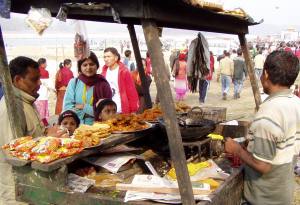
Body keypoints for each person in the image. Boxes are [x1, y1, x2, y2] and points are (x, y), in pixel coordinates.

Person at [225, 51, 300, 205]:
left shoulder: (269, 113)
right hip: (283, 192)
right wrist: (253, 143)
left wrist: (237, 149)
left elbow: (263, 165)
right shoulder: (295, 102)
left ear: (265, 74)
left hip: (264, 198)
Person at [0, 56, 68, 205]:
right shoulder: (11, 108)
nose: (39, 84)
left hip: (33, 186)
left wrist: (47, 134)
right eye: (34, 79)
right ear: (18, 80)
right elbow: (14, 152)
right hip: (18, 193)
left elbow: (31, 136)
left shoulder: (27, 102)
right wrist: (46, 138)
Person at [63, 52, 112, 125]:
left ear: (97, 66)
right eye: (85, 65)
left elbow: (107, 112)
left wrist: (83, 107)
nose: (88, 68)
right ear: (80, 67)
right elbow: (67, 107)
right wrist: (91, 113)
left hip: (99, 129)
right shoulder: (74, 83)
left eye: (92, 64)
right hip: (76, 128)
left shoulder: (104, 85)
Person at [101, 47, 139, 113]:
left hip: (121, 110)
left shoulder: (124, 72)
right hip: (107, 111)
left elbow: (131, 92)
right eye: (104, 57)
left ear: (116, 58)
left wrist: (133, 110)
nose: (106, 59)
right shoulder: (104, 72)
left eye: (108, 56)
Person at [35, 58, 52, 123]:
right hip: (43, 93)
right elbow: (48, 84)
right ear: (42, 64)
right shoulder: (45, 72)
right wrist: (53, 90)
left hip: (36, 93)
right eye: (46, 63)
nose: (46, 65)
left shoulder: (35, 70)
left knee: (37, 109)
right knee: (43, 109)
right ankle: (44, 123)